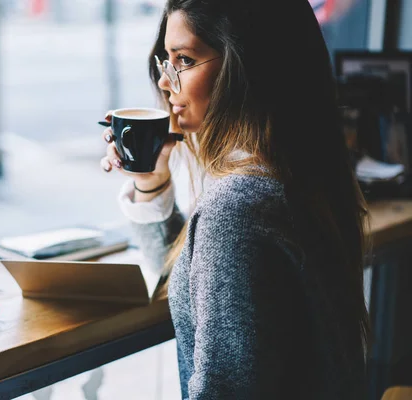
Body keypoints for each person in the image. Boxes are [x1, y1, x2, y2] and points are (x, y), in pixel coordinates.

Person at [100, 0, 369, 398]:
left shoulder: (237, 207)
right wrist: (152, 184)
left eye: (185, 59)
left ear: (246, 66)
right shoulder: (295, 173)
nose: (164, 81)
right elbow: (203, 290)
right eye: (165, 61)